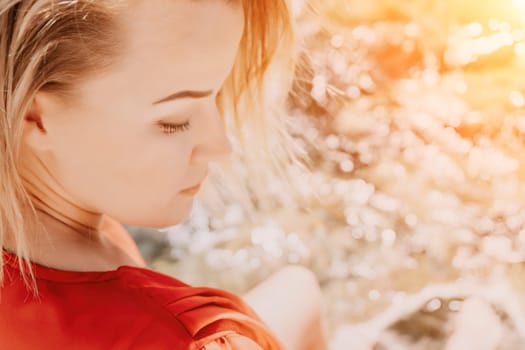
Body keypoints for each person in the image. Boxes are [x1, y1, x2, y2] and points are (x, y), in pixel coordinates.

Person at [0, 0, 327, 349]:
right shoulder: (185, 337)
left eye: (218, 95)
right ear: (34, 116)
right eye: (175, 121)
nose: (221, 148)